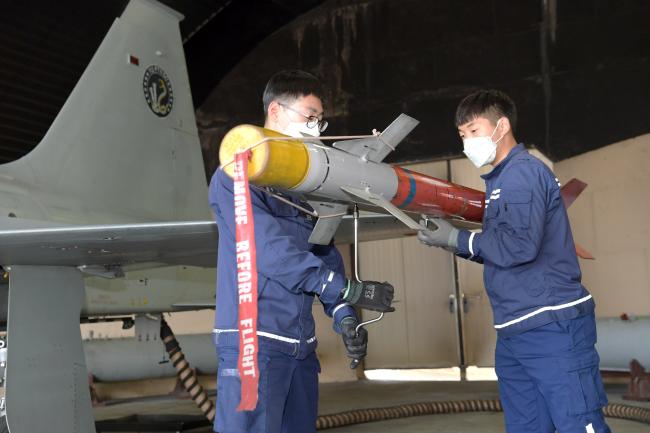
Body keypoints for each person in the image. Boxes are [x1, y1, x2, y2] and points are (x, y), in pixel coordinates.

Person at [209, 69, 395, 433]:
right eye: (310, 117)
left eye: (320, 121)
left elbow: (322, 250)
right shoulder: (236, 175)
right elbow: (270, 252)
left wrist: (343, 312)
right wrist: (343, 289)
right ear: (275, 112)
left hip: (299, 347)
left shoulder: (299, 188)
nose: (316, 128)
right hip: (256, 344)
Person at [417, 89, 610, 433]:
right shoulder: (501, 180)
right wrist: (451, 242)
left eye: (473, 131)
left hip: (551, 323)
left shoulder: (522, 173)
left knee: (578, 424)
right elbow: (502, 252)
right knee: (527, 426)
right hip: (516, 329)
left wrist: (456, 237)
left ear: (501, 126)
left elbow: (519, 247)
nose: (466, 142)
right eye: (462, 135)